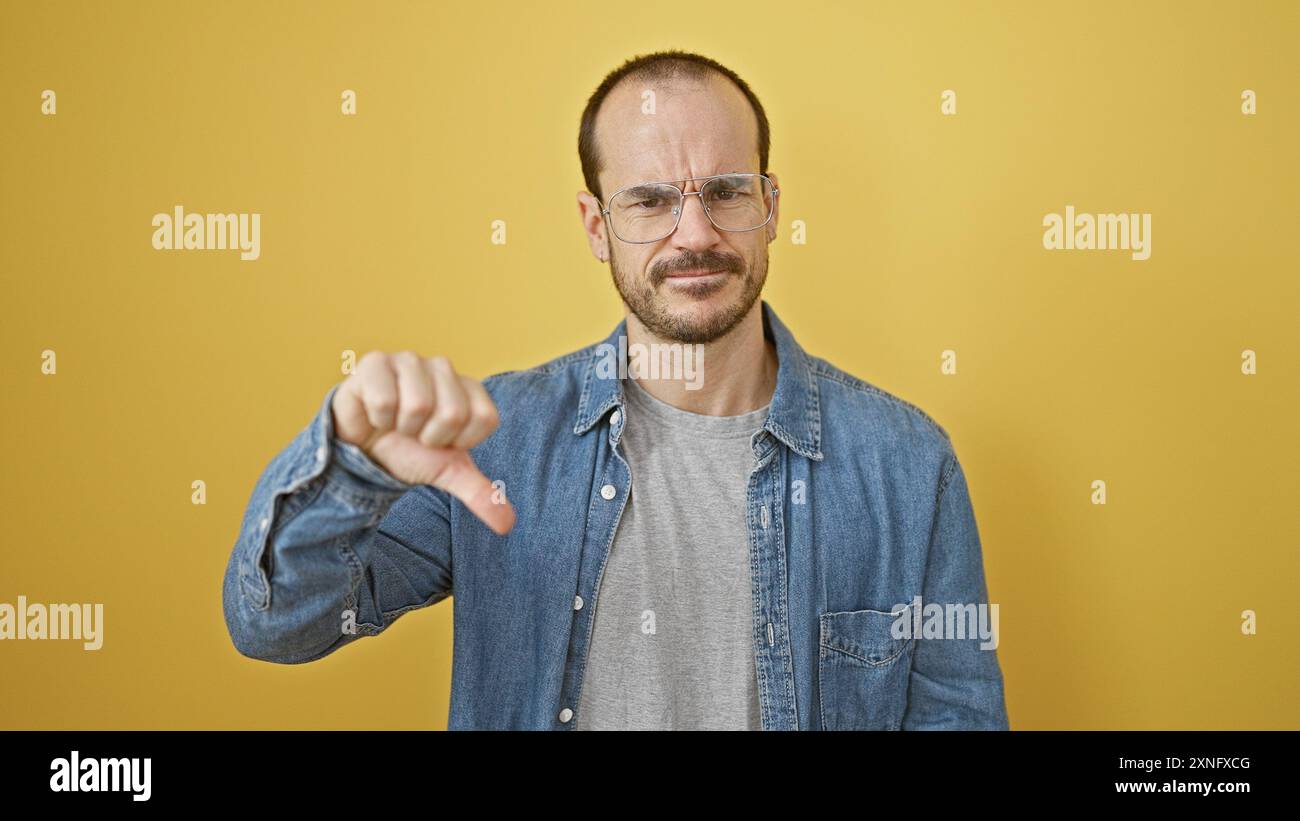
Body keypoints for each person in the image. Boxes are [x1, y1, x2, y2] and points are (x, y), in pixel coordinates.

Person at [221, 49, 1009, 731]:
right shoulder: (494, 442)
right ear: (597, 225)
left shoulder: (907, 464)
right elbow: (275, 623)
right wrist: (354, 466)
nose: (694, 233)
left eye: (726, 191)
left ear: (770, 208)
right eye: (650, 199)